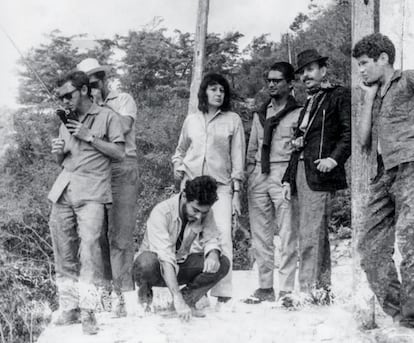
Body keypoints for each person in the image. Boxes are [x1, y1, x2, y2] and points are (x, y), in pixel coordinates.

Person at [48, 71, 125, 334]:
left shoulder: (108, 117)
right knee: (63, 251)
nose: (65, 101)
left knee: (90, 251)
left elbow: (119, 153)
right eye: (61, 97)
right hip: (63, 191)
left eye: (68, 95)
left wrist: (89, 136)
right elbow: (63, 160)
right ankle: (69, 308)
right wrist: (58, 152)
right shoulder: (65, 121)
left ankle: (89, 310)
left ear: (83, 90)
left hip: (92, 192)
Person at [352, 33, 414, 328]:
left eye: (365, 63)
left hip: (411, 167)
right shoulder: (374, 94)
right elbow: (363, 139)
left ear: (383, 58)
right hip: (384, 175)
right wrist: (367, 97)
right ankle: (404, 313)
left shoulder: (408, 80)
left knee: (411, 241)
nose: (361, 70)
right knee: (370, 248)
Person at [281, 49, 351, 298]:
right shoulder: (308, 103)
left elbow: (347, 133)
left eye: (310, 70)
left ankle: (307, 291)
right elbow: (298, 144)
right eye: (302, 72)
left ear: (323, 70)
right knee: (315, 234)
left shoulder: (338, 95)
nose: (306, 76)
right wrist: (288, 179)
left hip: (320, 174)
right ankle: (322, 290)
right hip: (300, 171)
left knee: (310, 234)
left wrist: (333, 159)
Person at [172, 73, 245, 307]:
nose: (218, 94)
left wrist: (236, 193)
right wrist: (177, 166)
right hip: (191, 187)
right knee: (192, 238)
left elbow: (238, 158)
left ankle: (223, 294)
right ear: (204, 92)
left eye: (222, 90)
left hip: (220, 187)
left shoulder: (232, 120)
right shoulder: (191, 120)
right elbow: (180, 150)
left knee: (222, 235)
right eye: (213, 89)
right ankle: (198, 293)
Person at [77, 58, 139, 317]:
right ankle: (103, 293)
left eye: (94, 82)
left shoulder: (122, 99)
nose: (91, 88)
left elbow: (123, 127)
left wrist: (100, 106)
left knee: (120, 235)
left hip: (122, 167)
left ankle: (123, 295)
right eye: (86, 84)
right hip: (96, 170)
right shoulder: (85, 108)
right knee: (96, 234)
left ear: (102, 79)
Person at [132, 176, 230, 320]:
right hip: (156, 267)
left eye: (203, 212)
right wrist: (177, 295)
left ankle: (185, 302)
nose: (198, 216)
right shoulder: (161, 212)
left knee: (222, 262)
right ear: (184, 196)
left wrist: (213, 254)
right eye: (195, 210)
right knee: (146, 262)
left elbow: (212, 238)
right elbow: (165, 258)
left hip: (179, 265)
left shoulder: (204, 212)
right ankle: (145, 302)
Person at [245, 62, 302, 303]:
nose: (271, 84)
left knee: (288, 233)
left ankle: (287, 289)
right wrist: (251, 175)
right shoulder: (260, 113)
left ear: (290, 84)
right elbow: (252, 149)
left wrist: (291, 177)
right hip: (260, 173)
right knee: (261, 236)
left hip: (284, 173)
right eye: (269, 80)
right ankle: (265, 287)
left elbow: (299, 151)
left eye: (277, 80)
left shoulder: (299, 113)